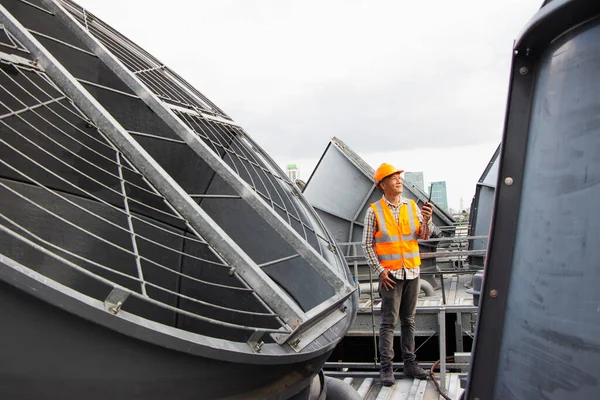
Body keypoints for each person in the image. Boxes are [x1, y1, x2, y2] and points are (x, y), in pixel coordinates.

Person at [362, 163, 434, 386]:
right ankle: (387, 368)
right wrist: (380, 271)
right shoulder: (374, 211)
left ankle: (410, 364)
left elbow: (423, 235)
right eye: (393, 177)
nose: (399, 180)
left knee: (409, 320)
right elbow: (366, 245)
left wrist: (428, 219)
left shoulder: (412, 206)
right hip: (390, 275)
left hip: (412, 271)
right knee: (388, 322)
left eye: (399, 177)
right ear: (382, 185)